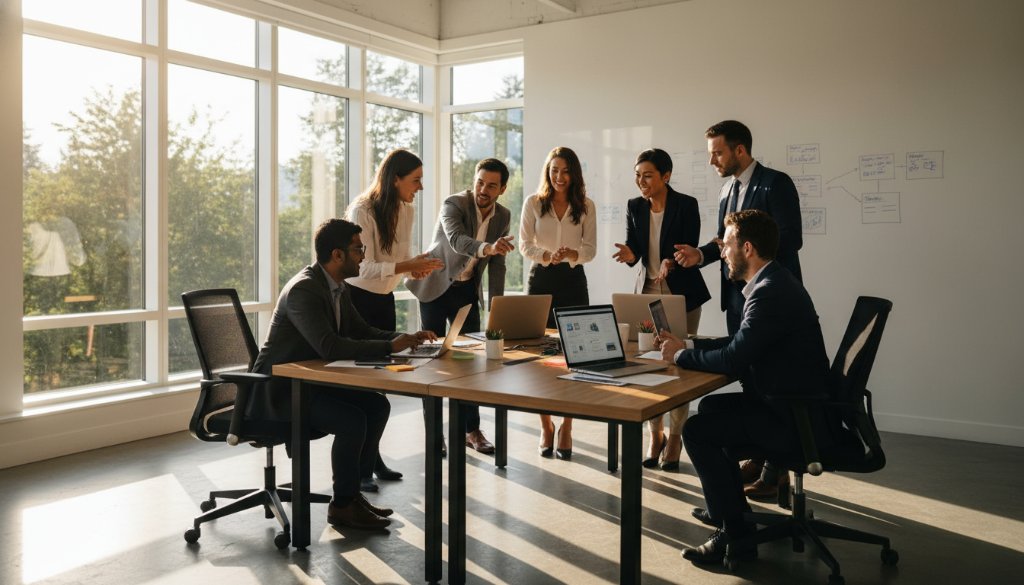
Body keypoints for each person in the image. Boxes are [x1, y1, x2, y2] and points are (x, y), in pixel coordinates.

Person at [658, 209, 830, 565]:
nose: (721, 251)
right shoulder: (773, 283)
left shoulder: (769, 293)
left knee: (698, 430)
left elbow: (734, 359)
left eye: (728, 244)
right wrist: (688, 345)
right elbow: (741, 341)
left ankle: (736, 534)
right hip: (792, 405)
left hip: (793, 419)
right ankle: (728, 509)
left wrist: (679, 357)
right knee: (710, 410)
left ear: (747, 248)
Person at [251, 218, 437, 531]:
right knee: (352, 420)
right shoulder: (304, 290)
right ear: (337, 255)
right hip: (280, 392)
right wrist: (388, 345)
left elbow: (360, 330)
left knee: (376, 406)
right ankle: (342, 505)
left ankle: (352, 493)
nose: (363, 256)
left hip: (310, 384)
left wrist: (403, 338)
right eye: (358, 249)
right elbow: (329, 347)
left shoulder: (337, 287)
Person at [674, 120, 804, 500]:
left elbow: (790, 236)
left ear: (740, 150)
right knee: (749, 375)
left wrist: (751, 258)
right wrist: (702, 254)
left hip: (767, 291)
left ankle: (776, 466)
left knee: (771, 376)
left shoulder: (775, 183)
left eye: (717, 152)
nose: (712, 160)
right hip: (736, 294)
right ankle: (761, 453)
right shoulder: (727, 189)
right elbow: (724, 241)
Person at [344, 149, 444, 492]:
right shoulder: (362, 210)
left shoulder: (407, 209)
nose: (420, 186)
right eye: (415, 179)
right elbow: (361, 266)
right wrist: (405, 266)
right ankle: (359, 466)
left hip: (383, 298)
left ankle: (371, 457)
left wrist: (418, 266)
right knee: (362, 386)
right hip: (357, 300)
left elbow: (399, 260)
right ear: (395, 179)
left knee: (378, 385)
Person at [406, 158, 515, 456]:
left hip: (466, 290)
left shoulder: (503, 215)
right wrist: (487, 248)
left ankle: (471, 430)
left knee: (470, 364)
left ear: (502, 189)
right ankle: (435, 435)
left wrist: (498, 309)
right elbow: (456, 240)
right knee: (433, 363)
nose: (483, 189)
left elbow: (498, 264)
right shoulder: (453, 204)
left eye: (492, 185)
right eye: (480, 182)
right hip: (435, 287)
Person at [612, 148, 710, 471]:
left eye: (648, 175)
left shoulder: (686, 205)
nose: (641, 181)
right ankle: (655, 435)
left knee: (678, 367)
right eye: (637, 175)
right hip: (647, 292)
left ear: (665, 176)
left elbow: (688, 249)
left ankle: (677, 435)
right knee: (647, 365)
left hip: (681, 293)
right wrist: (629, 255)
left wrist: (672, 261)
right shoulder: (634, 206)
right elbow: (635, 251)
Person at [519, 146, 596, 460]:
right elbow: (524, 244)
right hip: (542, 278)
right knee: (541, 357)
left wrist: (573, 255)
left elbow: (590, 249)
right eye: (554, 171)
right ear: (547, 172)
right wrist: (547, 256)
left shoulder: (586, 206)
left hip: (573, 281)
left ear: (574, 173)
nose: (560, 177)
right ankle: (545, 425)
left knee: (574, 355)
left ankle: (567, 425)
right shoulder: (534, 203)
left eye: (565, 171)